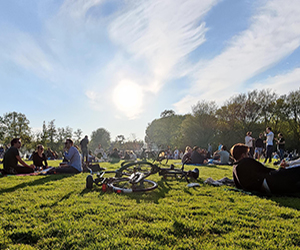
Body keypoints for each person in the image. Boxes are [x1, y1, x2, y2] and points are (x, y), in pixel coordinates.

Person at [231, 143, 300, 194]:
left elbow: (238, 185)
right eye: (247, 154)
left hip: (266, 187)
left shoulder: (235, 168)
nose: (249, 156)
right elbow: (265, 169)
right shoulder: (246, 161)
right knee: (294, 172)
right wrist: (280, 170)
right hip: (269, 181)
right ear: (243, 155)